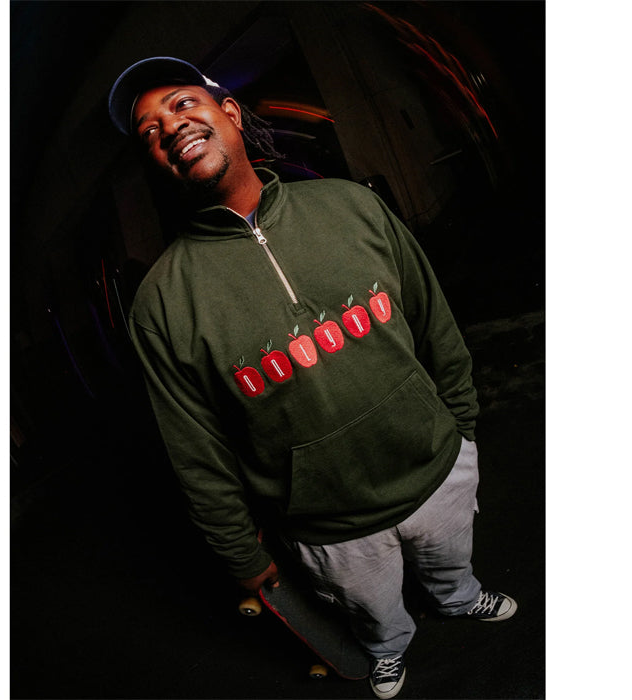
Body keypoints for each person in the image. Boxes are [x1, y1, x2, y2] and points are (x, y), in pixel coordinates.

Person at [108, 56, 517, 699]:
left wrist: (460, 428)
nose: (170, 126)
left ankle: (459, 597)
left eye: (183, 103)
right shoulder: (161, 303)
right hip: (329, 526)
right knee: (374, 611)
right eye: (149, 131)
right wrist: (241, 553)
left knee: (452, 562)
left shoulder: (351, 205)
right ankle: (388, 646)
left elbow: (435, 323)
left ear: (229, 113)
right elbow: (195, 449)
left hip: (436, 466)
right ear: (153, 161)